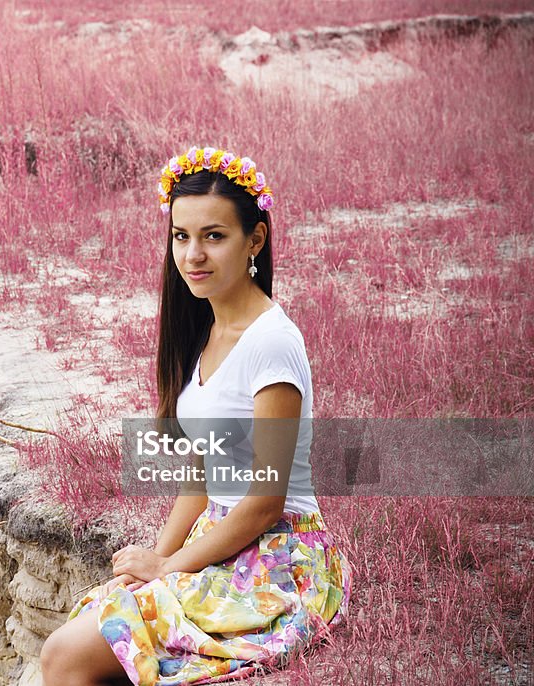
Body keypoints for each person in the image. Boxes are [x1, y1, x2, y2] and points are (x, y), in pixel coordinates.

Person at [39, 146, 352, 685]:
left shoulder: (271, 344)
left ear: (254, 240)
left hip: (278, 555)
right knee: (86, 627)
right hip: (222, 536)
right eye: (181, 236)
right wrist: (157, 560)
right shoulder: (203, 332)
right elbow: (201, 480)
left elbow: (264, 501)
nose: (193, 255)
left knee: (66, 655)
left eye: (214, 235)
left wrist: (166, 569)